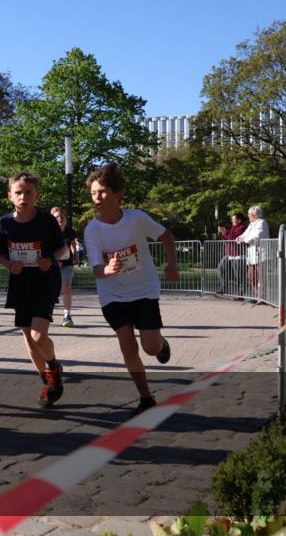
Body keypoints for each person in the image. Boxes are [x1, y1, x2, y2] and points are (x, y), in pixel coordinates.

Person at [83, 163, 178, 416]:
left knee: (150, 347)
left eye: (102, 192)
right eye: (93, 193)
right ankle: (146, 398)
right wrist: (108, 270)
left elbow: (166, 237)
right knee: (127, 346)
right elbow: (95, 269)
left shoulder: (137, 218)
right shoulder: (92, 230)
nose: (97, 198)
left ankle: (160, 344)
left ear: (117, 194)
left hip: (144, 290)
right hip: (112, 295)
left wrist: (172, 266)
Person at [0, 173, 69, 408]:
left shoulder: (46, 221)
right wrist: (9, 265)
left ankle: (53, 366)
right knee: (28, 339)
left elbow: (62, 248)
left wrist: (50, 259)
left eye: (28, 192)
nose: (23, 196)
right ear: (10, 196)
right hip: (21, 283)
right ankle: (48, 382)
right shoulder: (4, 224)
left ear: (36, 195)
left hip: (45, 281)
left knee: (38, 335)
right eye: (18, 192)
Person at [50, 206, 78, 327]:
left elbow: (72, 244)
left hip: (66, 263)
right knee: (51, 290)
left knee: (67, 287)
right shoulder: (48, 232)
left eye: (62, 217)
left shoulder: (69, 231)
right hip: (52, 263)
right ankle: (46, 312)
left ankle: (67, 315)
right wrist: (55, 261)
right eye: (57, 217)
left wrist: (76, 254)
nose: (60, 219)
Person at [235, 206, 270, 300]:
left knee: (261, 279)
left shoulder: (262, 222)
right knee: (251, 276)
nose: (248, 216)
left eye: (249, 214)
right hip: (252, 256)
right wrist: (239, 237)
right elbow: (245, 234)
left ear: (254, 214)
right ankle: (257, 295)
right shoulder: (251, 224)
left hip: (261, 255)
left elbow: (258, 234)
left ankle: (262, 298)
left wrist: (244, 239)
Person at [216, 212, 247, 295]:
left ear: (239, 220)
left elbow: (233, 238)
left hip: (237, 255)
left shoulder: (241, 228)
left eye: (233, 219)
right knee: (220, 269)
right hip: (229, 255)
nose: (232, 220)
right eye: (232, 219)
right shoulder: (232, 228)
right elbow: (228, 238)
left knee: (239, 275)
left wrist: (224, 232)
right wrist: (223, 233)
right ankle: (223, 288)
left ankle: (241, 294)